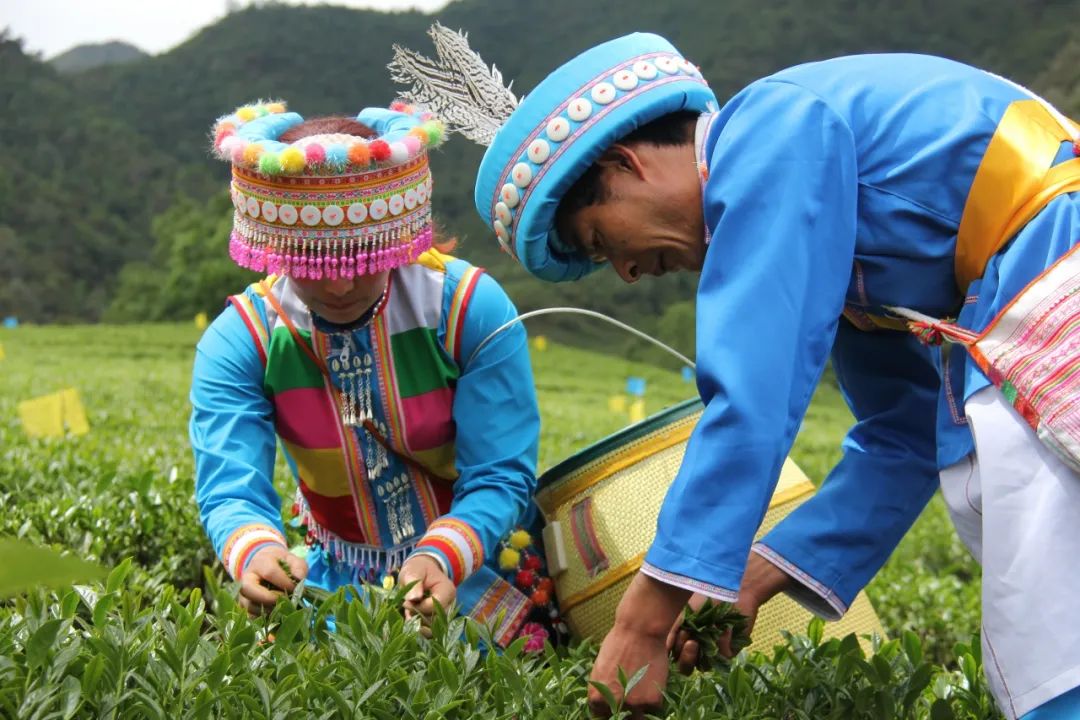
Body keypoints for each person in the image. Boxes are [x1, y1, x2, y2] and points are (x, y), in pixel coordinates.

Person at [466, 33, 1080, 719]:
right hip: (1029, 292)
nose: (628, 271)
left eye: (602, 242)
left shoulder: (770, 128)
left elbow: (752, 390)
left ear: (626, 164)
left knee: (1049, 609)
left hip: (1057, 271)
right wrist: (757, 574)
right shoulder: (838, 243)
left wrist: (645, 615)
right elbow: (902, 434)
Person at [190, 100, 561, 650]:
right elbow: (231, 488)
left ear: (397, 236)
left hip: (475, 563)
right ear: (274, 247)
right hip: (333, 578)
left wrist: (442, 554)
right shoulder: (241, 340)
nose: (340, 286)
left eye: (362, 257)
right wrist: (256, 553)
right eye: (314, 262)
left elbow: (501, 473)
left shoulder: (465, 309)